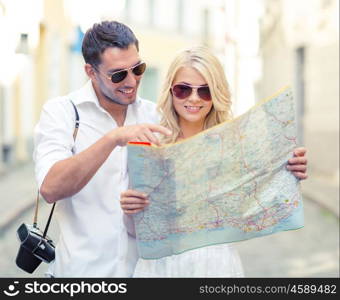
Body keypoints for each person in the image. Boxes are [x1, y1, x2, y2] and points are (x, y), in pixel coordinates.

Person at [120, 46, 308, 277]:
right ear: (170, 91)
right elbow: (136, 230)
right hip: (161, 268)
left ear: (216, 93)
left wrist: (290, 172)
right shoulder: (150, 144)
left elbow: (262, 205)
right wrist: (130, 209)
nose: (194, 98)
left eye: (205, 91)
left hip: (215, 267)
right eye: (183, 89)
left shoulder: (235, 146)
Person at [33, 20, 172, 277]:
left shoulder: (154, 115)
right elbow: (51, 189)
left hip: (141, 274)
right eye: (119, 74)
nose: (132, 81)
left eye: (138, 69)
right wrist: (113, 139)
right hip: (80, 276)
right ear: (91, 71)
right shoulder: (62, 112)